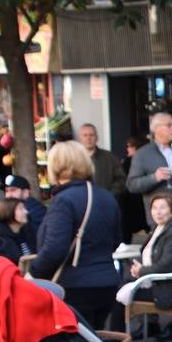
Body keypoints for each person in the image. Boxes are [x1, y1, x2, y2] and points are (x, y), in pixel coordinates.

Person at [29, 140, 121, 328]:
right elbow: (116, 239)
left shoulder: (63, 201)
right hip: (107, 282)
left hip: (74, 285)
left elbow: (54, 249)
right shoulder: (106, 197)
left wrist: (32, 273)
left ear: (55, 166)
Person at [117, 193, 172, 341]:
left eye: (163, 208)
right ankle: (146, 327)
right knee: (121, 283)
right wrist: (138, 268)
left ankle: (117, 340)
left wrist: (141, 270)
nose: (157, 212)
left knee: (118, 290)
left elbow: (165, 266)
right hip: (157, 282)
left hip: (167, 289)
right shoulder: (160, 228)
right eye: (154, 208)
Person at [127, 113, 172, 230]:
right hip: (161, 217)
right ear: (156, 129)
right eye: (169, 125)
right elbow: (132, 185)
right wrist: (154, 178)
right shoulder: (143, 154)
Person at [78, 124, 127, 197]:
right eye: (85, 135)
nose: (88, 138)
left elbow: (121, 180)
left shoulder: (110, 157)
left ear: (97, 138)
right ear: (80, 138)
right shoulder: (73, 159)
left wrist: (108, 194)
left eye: (91, 135)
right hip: (80, 203)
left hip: (105, 203)